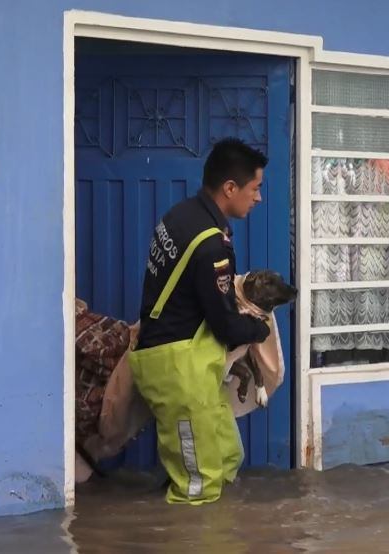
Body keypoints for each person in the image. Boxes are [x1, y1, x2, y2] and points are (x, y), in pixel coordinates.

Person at [128, 138, 270, 505]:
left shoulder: (180, 215)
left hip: (188, 363)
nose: (258, 198)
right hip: (178, 370)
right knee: (197, 488)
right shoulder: (210, 243)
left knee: (226, 458)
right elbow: (225, 326)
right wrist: (260, 329)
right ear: (230, 188)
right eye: (255, 189)